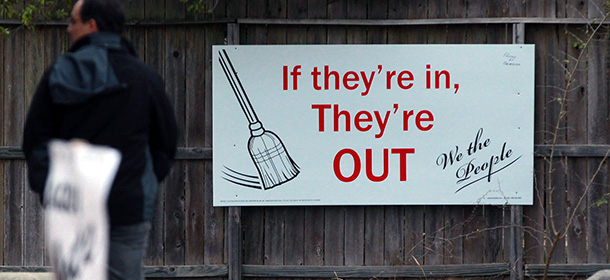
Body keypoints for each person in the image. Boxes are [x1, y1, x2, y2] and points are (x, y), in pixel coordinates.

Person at [22, 0, 178, 279]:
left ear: (91, 25)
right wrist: (143, 183)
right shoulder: (145, 78)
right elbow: (165, 144)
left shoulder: (59, 72)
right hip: (129, 202)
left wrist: (52, 187)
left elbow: (35, 141)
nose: (68, 29)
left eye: (73, 21)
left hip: (71, 203)